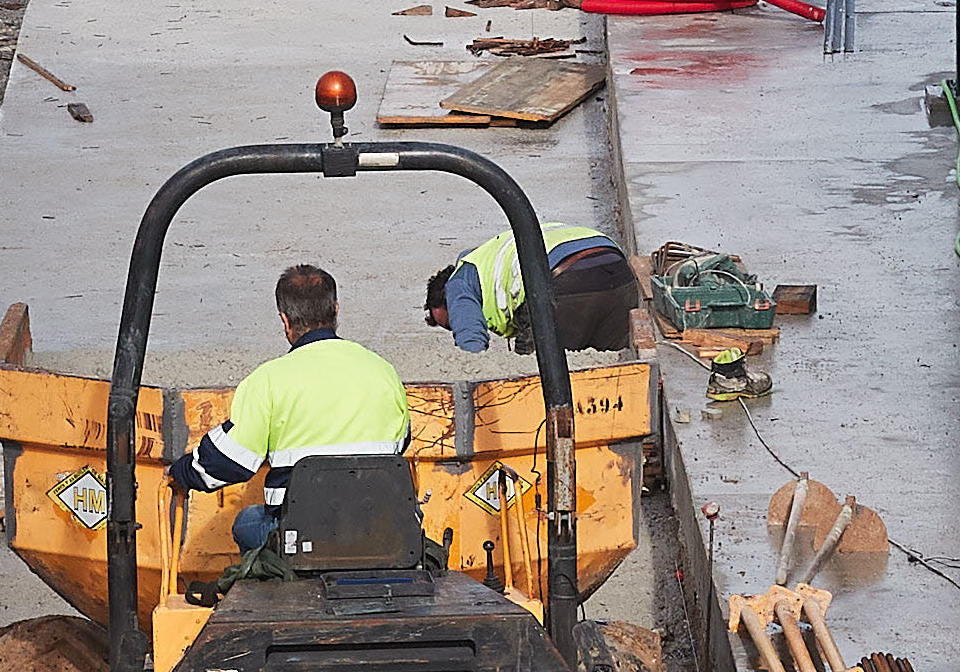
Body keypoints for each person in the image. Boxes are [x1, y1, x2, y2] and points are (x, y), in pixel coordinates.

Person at [172, 263, 412, 551]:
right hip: (381, 529)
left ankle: (276, 589)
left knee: (248, 522)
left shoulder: (268, 380)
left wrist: (181, 472)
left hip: (302, 538)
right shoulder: (383, 371)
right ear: (335, 311)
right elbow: (400, 443)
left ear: (285, 320)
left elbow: (227, 462)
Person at [433, 216, 640, 358]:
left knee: (530, 382)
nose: (457, 325)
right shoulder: (494, 252)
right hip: (618, 272)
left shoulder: (458, 283)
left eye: (451, 323)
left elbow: (471, 346)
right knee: (616, 372)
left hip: (563, 282)